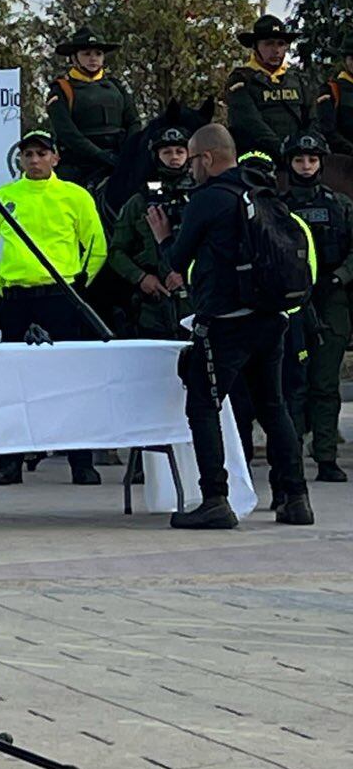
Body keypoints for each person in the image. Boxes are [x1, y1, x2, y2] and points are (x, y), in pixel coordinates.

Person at [154, 124, 310, 529]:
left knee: (203, 405)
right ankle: (295, 498)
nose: (189, 170)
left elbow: (177, 258)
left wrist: (163, 236)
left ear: (206, 158)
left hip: (225, 322)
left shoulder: (210, 198)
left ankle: (215, 499)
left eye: (191, 161)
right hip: (272, 318)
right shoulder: (259, 190)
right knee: (273, 406)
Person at [0, 130, 109, 486]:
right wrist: (1, 285)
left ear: (55, 158)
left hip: (62, 297)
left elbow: (96, 246)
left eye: (41, 153)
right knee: (14, 382)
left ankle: (81, 461)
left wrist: (79, 285)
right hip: (17, 299)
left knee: (71, 380)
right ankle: (10, 462)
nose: (34, 160)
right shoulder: (4, 197)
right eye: (28, 154)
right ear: (20, 160)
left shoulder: (74, 196)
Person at [283, 130, 353, 482]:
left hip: (331, 302)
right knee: (293, 384)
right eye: (299, 160)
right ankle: (291, 455)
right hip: (292, 305)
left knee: (325, 384)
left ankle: (325, 456)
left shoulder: (340, 206)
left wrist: (340, 275)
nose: (306, 166)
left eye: (312, 160)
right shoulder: (278, 206)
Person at [106, 124, 193, 338]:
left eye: (180, 151)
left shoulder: (201, 196)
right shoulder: (139, 201)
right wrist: (141, 277)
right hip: (153, 302)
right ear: (156, 156)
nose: (174, 157)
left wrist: (187, 274)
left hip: (195, 298)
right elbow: (116, 252)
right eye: (167, 152)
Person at [44, 28, 137, 191]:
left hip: (119, 155)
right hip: (80, 162)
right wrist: (99, 155)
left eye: (98, 53)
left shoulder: (116, 86)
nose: (93, 58)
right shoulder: (61, 89)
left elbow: (133, 121)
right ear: (74, 57)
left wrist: (128, 151)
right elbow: (67, 132)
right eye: (86, 53)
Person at [226, 15, 310, 159]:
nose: (276, 50)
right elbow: (249, 122)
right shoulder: (240, 80)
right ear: (255, 46)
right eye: (269, 43)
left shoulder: (298, 80)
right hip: (256, 157)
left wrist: (305, 146)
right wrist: (281, 149)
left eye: (281, 44)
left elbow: (312, 118)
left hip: (298, 158)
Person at [315, 38, 353, 156]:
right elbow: (327, 130)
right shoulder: (331, 89)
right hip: (344, 162)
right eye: (352, 58)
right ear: (345, 61)